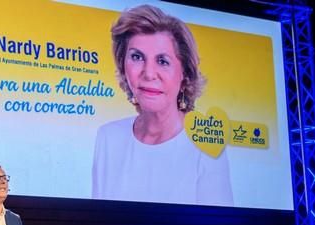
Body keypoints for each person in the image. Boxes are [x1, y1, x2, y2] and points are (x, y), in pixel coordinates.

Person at [92, 4, 233, 206]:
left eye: (162, 61)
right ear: (123, 64)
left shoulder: (205, 143)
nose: (148, 73)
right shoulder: (108, 137)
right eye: (137, 57)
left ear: (184, 74)